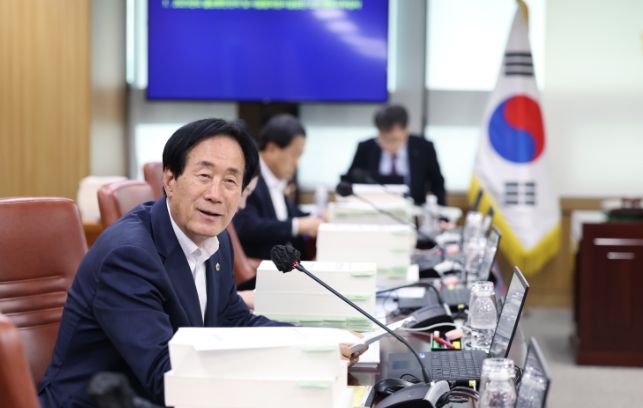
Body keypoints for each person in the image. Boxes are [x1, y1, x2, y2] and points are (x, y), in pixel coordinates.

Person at [38, 119, 291, 407]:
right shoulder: (128, 257)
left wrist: (312, 343)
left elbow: (234, 320)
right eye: (204, 176)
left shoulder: (217, 241)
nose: (215, 194)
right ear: (170, 180)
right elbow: (165, 377)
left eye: (230, 182)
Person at [233, 114, 322, 280]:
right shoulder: (250, 176)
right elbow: (246, 225)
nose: (296, 164)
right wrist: (297, 226)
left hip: (290, 269)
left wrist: (317, 217)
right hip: (263, 275)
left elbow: (288, 215)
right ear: (272, 148)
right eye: (294, 155)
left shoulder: (275, 178)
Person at [343, 104, 446, 206]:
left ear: (406, 130)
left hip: (414, 208)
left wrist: (441, 212)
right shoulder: (366, 148)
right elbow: (348, 179)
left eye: (394, 140)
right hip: (374, 207)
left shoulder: (424, 148)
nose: (388, 145)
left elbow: (437, 184)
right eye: (383, 139)